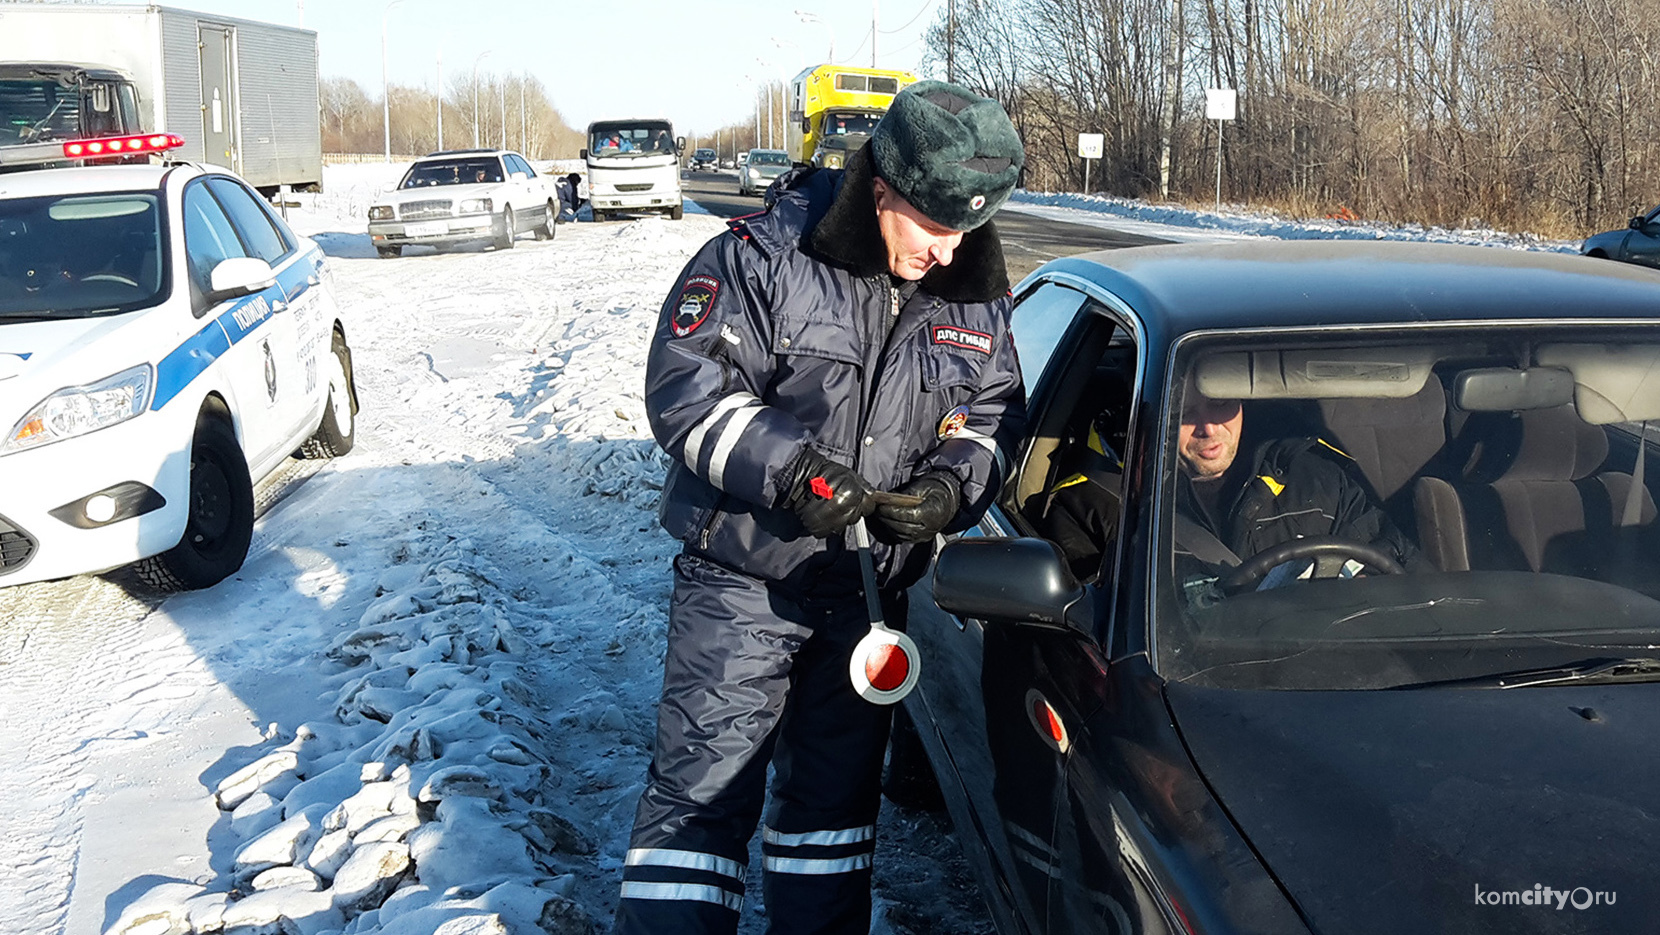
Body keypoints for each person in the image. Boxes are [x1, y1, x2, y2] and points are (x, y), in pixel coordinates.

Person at [619, 80, 1027, 935]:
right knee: (698, 814)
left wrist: (952, 484)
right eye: (932, 227)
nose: (948, 254)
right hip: (743, 584)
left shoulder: (974, 289)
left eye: (965, 231)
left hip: (866, 603)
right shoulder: (764, 255)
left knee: (830, 829)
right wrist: (793, 471)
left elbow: (990, 415)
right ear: (882, 189)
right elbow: (684, 393)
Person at [1172, 376, 1419, 587]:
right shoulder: (1144, 508)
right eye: (1185, 413)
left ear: (1241, 401)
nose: (1208, 428)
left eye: (1220, 403)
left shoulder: (1318, 481)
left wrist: (1368, 586)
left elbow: (1397, 560)